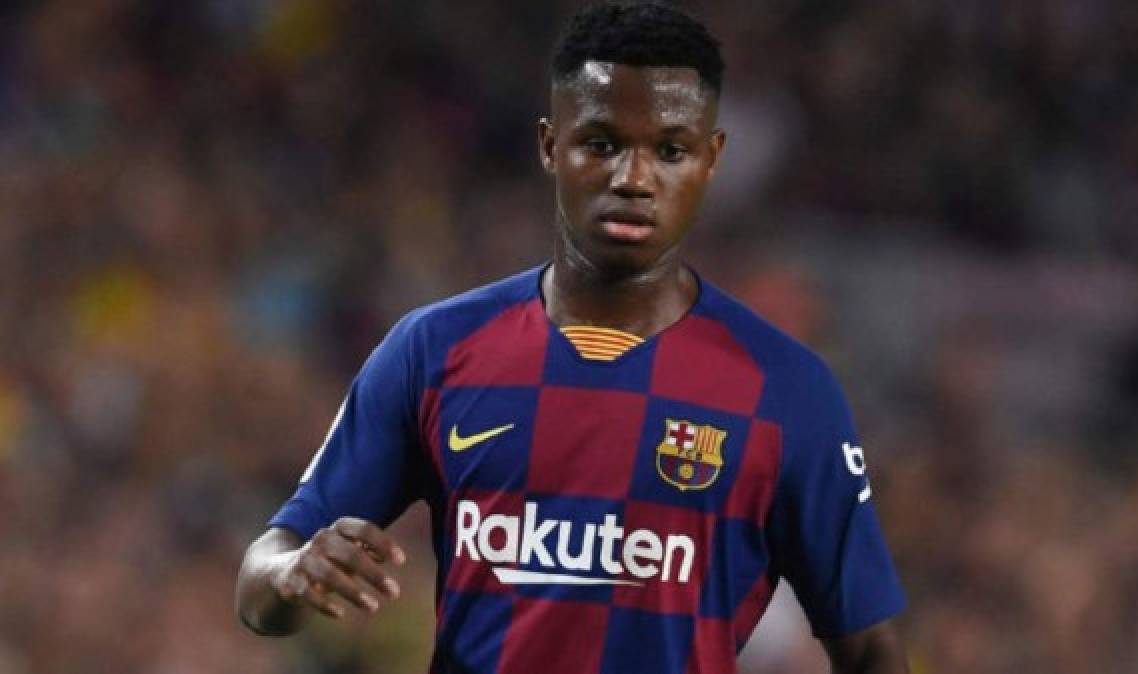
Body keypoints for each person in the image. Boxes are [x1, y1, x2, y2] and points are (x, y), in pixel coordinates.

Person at [236, 2, 909, 672]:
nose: (633, 179)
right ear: (550, 144)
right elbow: (259, 583)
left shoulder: (786, 388)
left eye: (670, 150)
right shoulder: (433, 351)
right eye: (602, 143)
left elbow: (871, 649)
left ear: (711, 158)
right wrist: (293, 570)